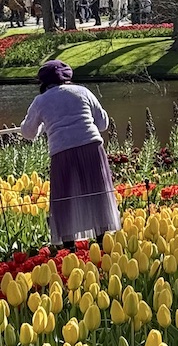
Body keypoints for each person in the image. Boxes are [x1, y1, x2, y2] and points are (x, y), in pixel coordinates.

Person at [19, 60, 121, 248]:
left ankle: (69, 250)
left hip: (62, 150)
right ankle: (103, 246)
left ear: (43, 82)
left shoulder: (41, 101)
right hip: (91, 146)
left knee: (65, 199)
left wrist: (43, 125)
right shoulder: (83, 92)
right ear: (68, 77)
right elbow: (103, 123)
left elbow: (28, 132)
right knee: (97, 196)